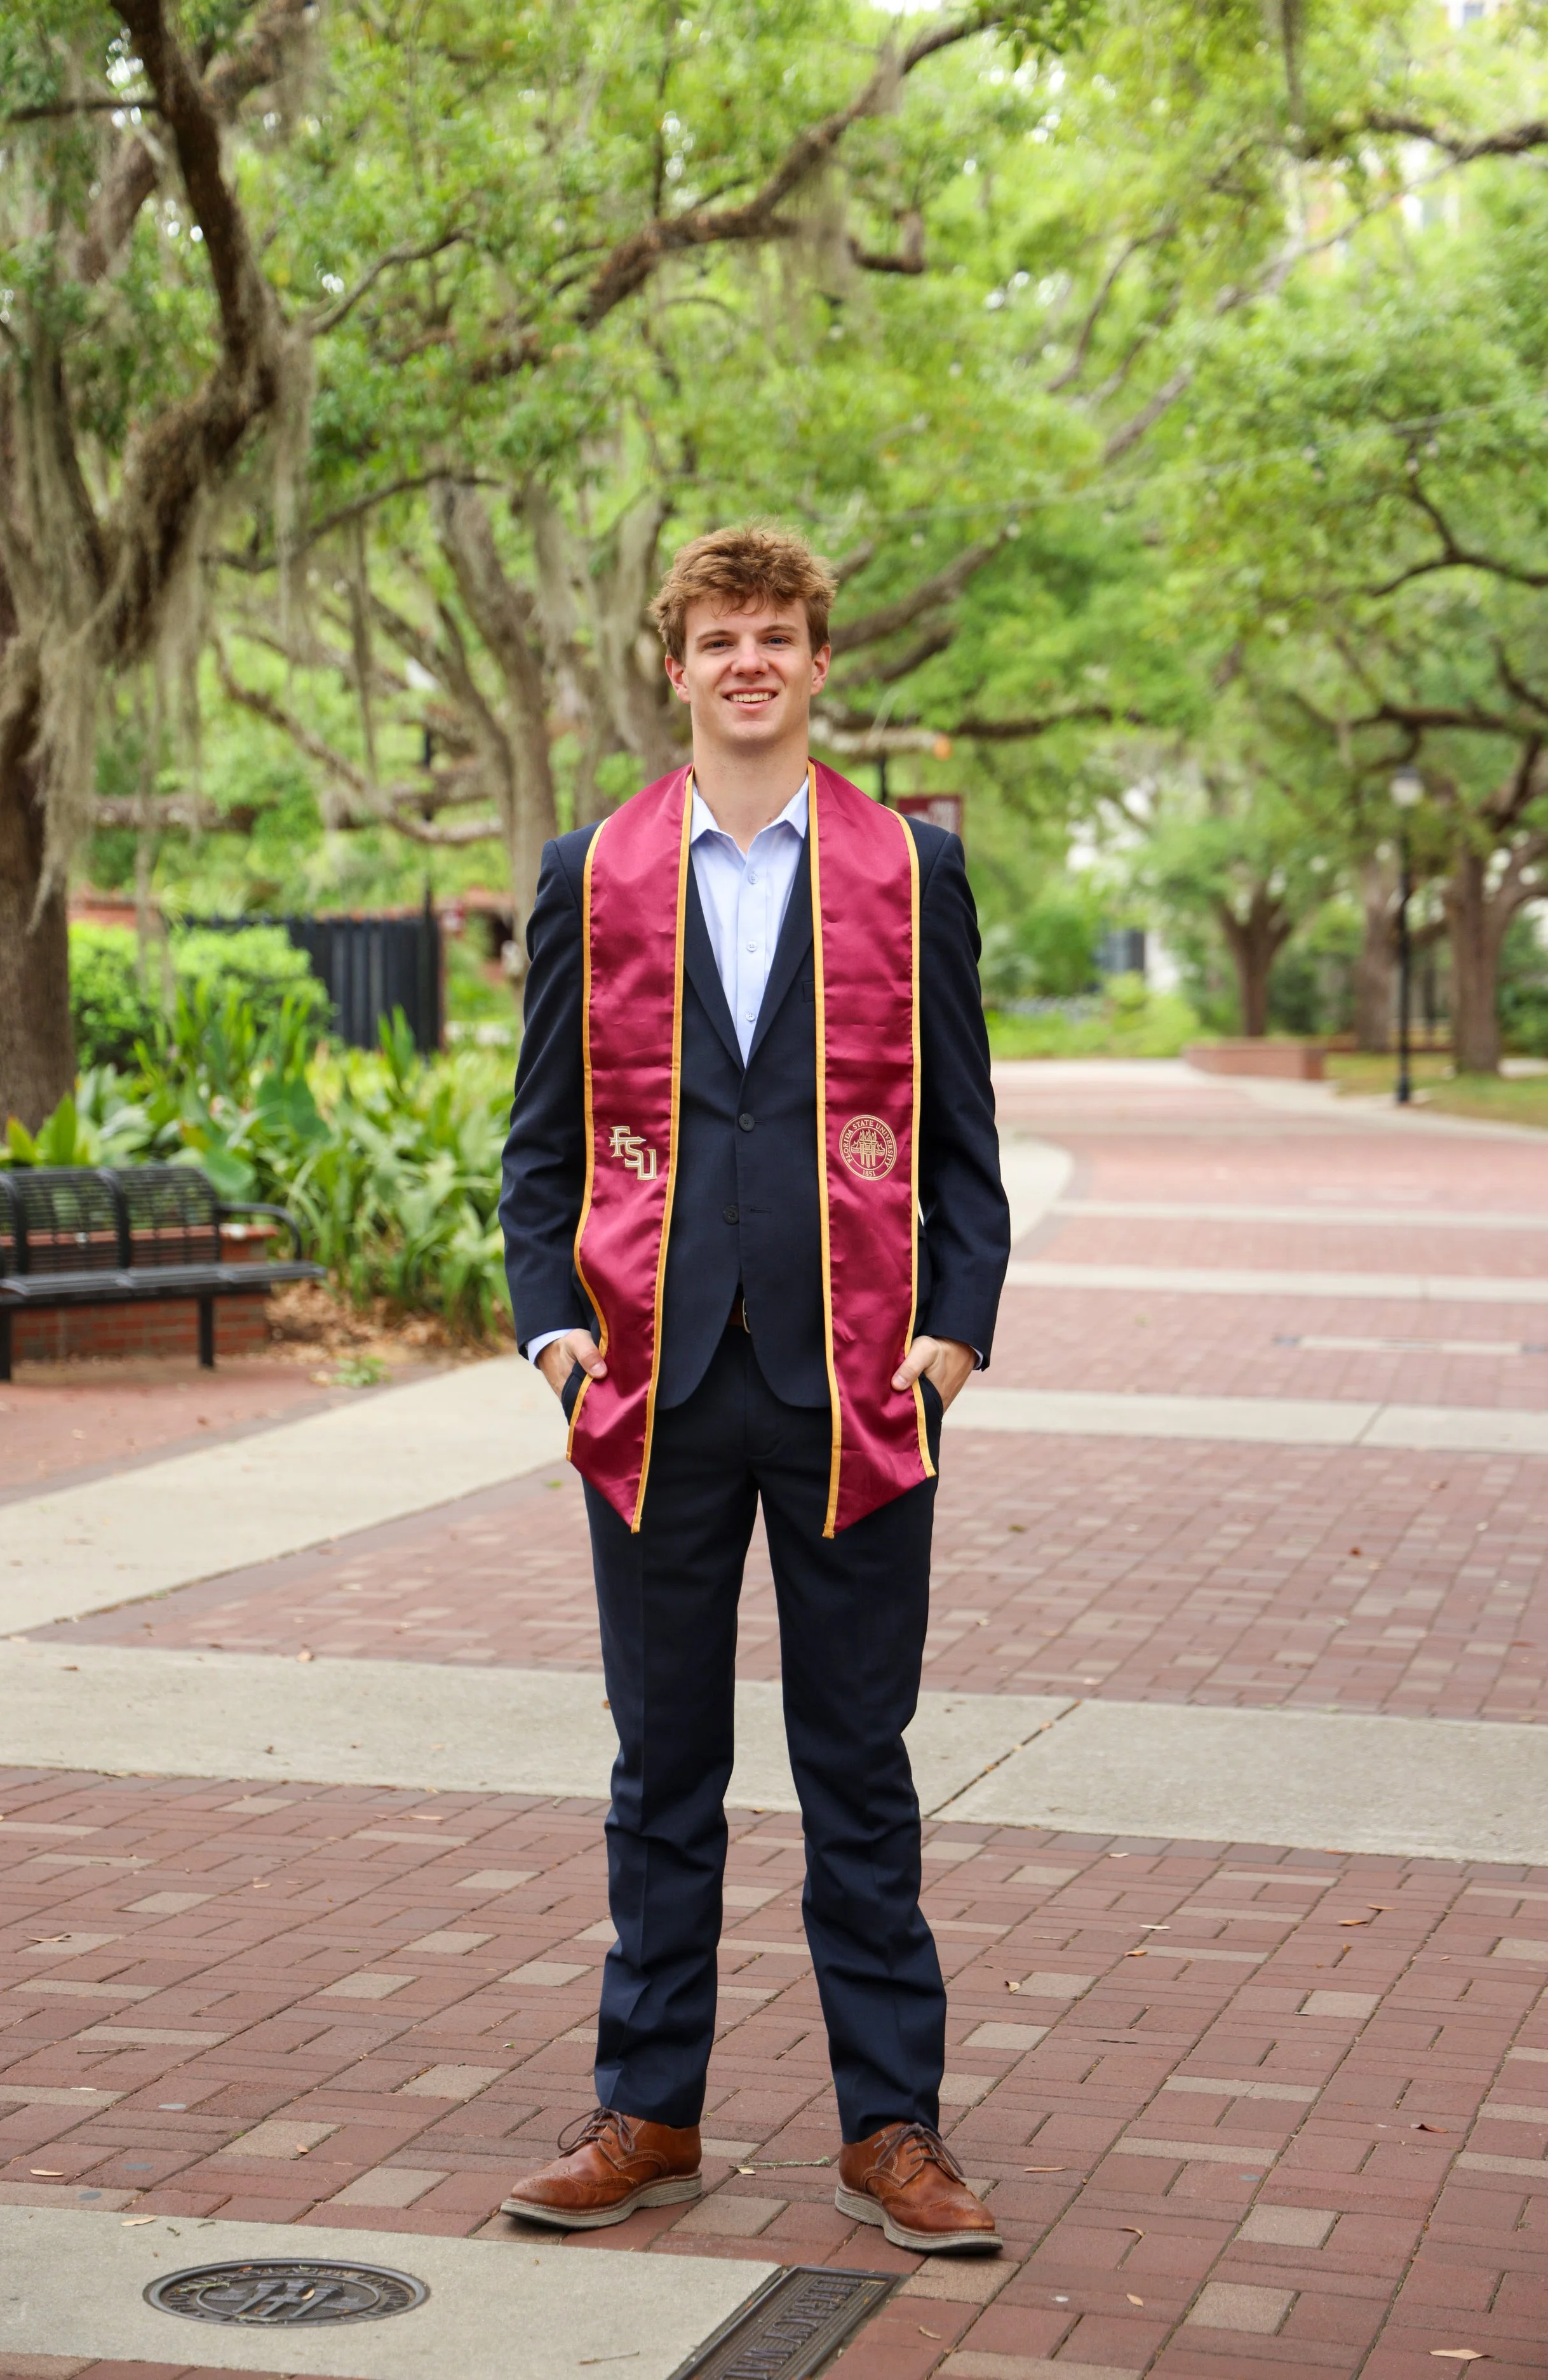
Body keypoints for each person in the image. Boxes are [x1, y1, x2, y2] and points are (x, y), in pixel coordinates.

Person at [497, 525, 1010, 2253]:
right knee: (663, 1768)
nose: (747, 661)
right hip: (644, 1393)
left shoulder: (909, 873)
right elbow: (535, 1147)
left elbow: (963, 1151)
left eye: (776, 634)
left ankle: (893, 2128)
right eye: (717, 635)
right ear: (673, 663)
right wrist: (549, 1335)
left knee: (855, 1762)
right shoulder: (590, 869)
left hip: (857, 1389)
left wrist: (953, 1334)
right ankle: (647, 2111)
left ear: (814, 662)